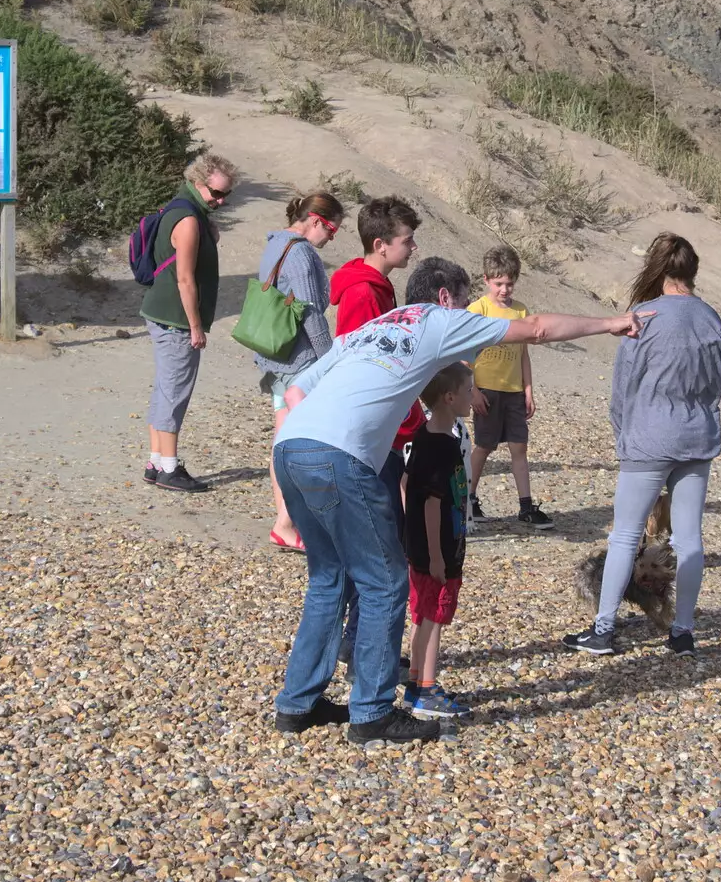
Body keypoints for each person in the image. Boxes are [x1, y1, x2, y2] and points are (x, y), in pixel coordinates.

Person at [272, 256, 651, 744]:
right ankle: (371, 715)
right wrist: (611, 323)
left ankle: (297, 705)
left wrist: (330, 435)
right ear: (447, 297)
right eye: (467, 295)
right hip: (339, 457)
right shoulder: (438, 321)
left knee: (331, 579)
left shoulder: (377, 326)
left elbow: (297, 390)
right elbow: (533, 328)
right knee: (384, 582)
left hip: (292, 446)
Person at [562, 233, 721, 658]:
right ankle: (683, 631)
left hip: (649, 437)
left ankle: (603, 630)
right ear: (692, 271)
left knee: (625, 536)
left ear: (658, 269)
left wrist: (623, 431)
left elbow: (623, 386)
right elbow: (720, 379)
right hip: (697, 435)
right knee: (689, 538)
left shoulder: (644, 315)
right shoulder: (711, 318)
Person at [327, 197, 423, 671]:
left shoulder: (376, 287)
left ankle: (353, 641)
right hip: (370, 437)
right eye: (407, 240)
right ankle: (363, 645)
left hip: (377, 432)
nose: (413, 248)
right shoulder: (365, 294)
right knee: (383, 549)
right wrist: (407, 424)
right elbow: (371, 366)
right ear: (381, 244)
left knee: (376, 545)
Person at [256, 190, 345, 550]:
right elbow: (312, 314)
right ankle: (288, 522)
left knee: (282, 437)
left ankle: (286, 521)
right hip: (300, 361)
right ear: (314, 221)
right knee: (298, 442)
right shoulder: (302, 253)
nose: (331, 239)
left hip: (276, 355)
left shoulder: (275, 243)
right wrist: (330, 361)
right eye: (332, 230)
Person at [141, 154, 233, 493]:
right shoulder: (188, 219)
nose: (221, 200)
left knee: (165, 387)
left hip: (162, 314)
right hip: (175, 319)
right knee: (175, 392)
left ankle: (154, 461)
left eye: (226, 195)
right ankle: (168, 467)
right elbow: (185, 280)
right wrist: (196, 326)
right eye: (217, 193)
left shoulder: (186, 209)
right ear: (198, 183)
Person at [403, 362, 475, 719]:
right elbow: (432, 503)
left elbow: (407, 485)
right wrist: (435, 556)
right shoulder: (442, 446)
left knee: (421, 614)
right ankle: (427, 691)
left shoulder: (421, 436)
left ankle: (416, 681)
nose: (473, 398)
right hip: (439, 551)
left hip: (422, 548)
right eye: (468, 392)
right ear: (449, 398)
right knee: (432, 617)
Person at [465, 245, 552, 529]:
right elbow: (465, 356)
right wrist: (473, 391)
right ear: (487, 280)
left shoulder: (521, 311)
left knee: (519, 447)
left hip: (513, 391)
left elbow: (523, 354)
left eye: (509, 283)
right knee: (484, 446)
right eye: (499, 283)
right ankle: (469, 498)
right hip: (486, 390)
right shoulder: (477, 309)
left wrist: (528, 390)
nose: (504, 289)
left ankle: (526, 506)